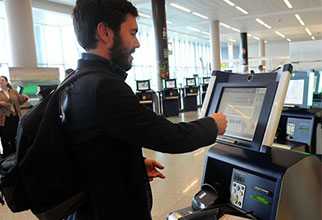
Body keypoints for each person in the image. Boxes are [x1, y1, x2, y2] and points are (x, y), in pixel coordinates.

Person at [64, 0, 227, 219]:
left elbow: (94, 150)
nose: (137, 43)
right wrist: (212, 124)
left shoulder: (76, 81)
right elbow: (170, 137)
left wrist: (135, 166)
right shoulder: (105, 87)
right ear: (105, 32)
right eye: (132, 33)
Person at [0, 76, 29, 158]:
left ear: (6, 82)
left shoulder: (13, 91)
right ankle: (6, 157)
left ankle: (14, 155)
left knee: (14, 137)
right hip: (3, 118)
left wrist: (25, 98)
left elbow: (19, 101)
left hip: (14, 116)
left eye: (2, 80)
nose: (0, 81)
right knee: (4, 138)